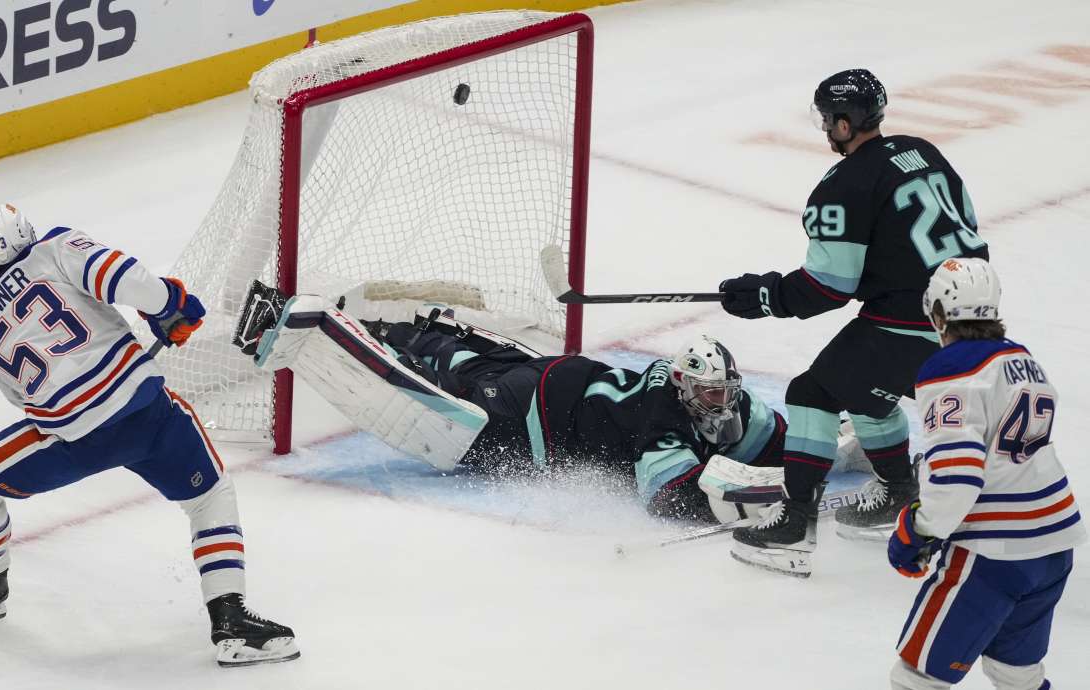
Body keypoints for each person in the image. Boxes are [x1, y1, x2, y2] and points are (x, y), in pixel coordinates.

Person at [0, 204, 299, 668]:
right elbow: (122, 276)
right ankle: (231, 619)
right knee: (210, 495)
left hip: (73, 438)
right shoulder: (55, 247)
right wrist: (168, 304)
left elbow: (20, 398)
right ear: (28, 232)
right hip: (146, 412)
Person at [718, 68, 991, 576]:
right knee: (865, 387)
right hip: (974, 313)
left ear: (844, 124)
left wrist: (765, 294)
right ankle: (897, 493)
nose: (825, 127)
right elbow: (962, 226)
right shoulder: (922, 151)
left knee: (812, 393)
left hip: (909, 323)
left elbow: (828, 287)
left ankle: (793, 524)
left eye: (827, 118)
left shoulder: (843, 183)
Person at [231, 283, 788, 523]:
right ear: (687, 387)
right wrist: (750, 497)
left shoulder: (715, 401)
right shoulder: (665, 420)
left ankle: (390, 325)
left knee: (463, 361)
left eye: (724, 392)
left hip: (553, 376)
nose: (719, 402)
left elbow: (784, 436)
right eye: (709, 392)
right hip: (531, 418)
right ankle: (309, 325)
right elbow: (666, 497)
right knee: (448, 388)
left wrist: (824, 456)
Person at [888, 258, 1084, 690]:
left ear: (938, 313)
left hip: (995, 551)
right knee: (1016, 674)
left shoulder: (948, 369)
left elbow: (958, 477)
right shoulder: (1020, 357)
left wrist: (917, 531)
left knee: (916, 677)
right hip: (1054, 545)